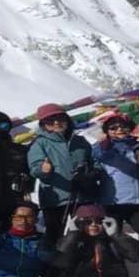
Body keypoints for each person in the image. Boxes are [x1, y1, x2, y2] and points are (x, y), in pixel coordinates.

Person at [28, 103, 93, 240]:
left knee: (84, 234)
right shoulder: (40, 143)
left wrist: (90, 174)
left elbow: (94, 163)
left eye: (60, 119)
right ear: (43, 125)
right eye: (50, 121)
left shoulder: (80, 141)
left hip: (82, 196)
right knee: (56, 236)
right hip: (55, 199)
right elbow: (34, 169)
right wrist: (43, 170)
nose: (56, 123)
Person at [92, 113, 139, 234]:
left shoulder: (137, 144)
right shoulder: (103, 146)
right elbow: (100, 155)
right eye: (113, 128)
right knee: (113, 237)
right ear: (106, 131)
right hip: (114, 202)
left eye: (123, 126)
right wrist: (104, 143)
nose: (119, 129)